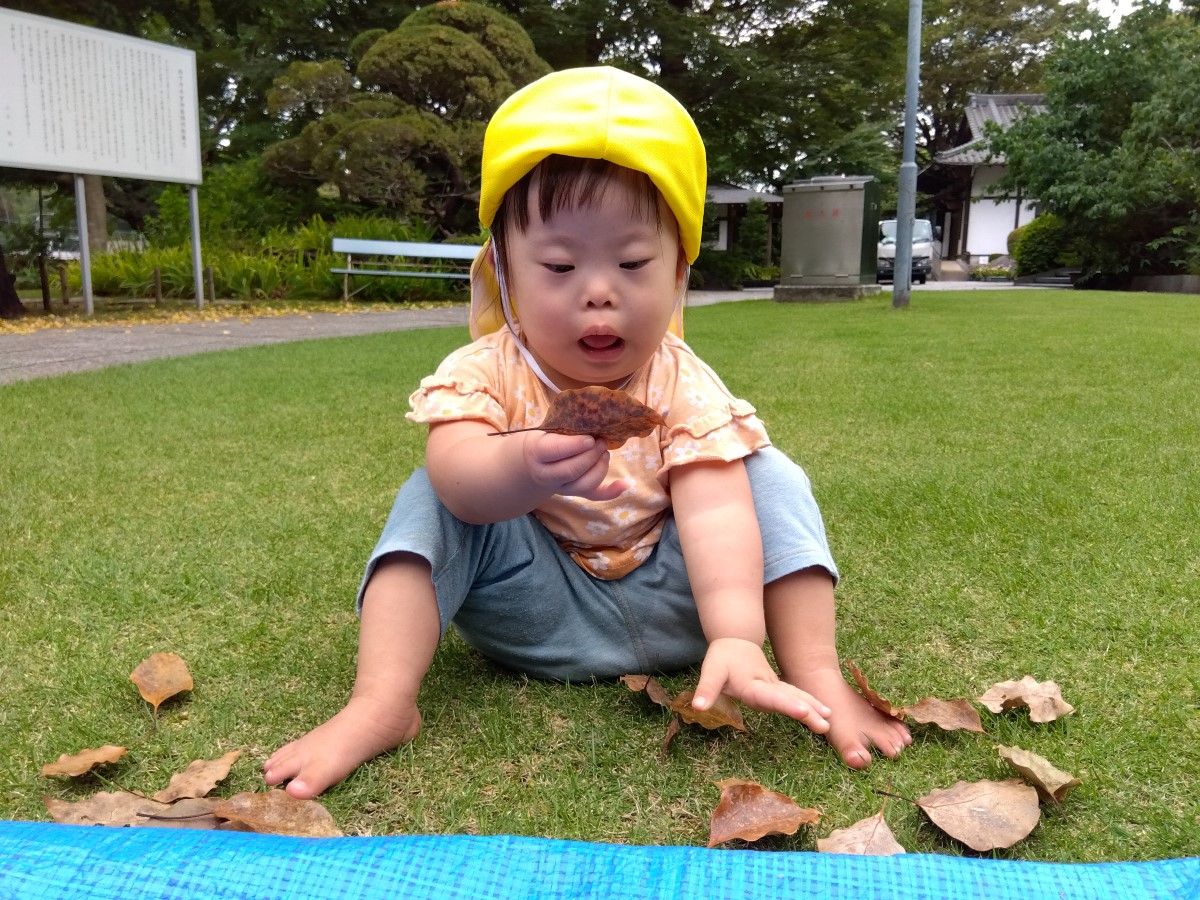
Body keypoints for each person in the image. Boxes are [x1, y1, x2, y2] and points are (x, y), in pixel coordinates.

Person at [264, 66, 910, 800]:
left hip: (683, 607)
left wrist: (734, 631)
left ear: (678, 271)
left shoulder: (681, 378)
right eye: (560, 265)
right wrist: (520, 466)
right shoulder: (486, 371)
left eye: (633, 263)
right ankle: (381, 702)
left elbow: (716, 511)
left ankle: (814, 673)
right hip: (537, 610)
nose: (599, 290)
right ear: (504, 271)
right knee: (429, 495)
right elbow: (459, 482)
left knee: (767, 472)